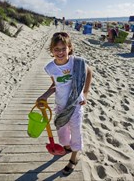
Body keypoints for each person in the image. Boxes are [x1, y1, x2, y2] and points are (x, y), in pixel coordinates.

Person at [36, 32, 92, 175]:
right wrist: (44, 96)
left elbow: (89, 72)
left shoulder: (77, 62)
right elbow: (55, 86)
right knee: (62, 134)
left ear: (69, 48)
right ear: (52, 50)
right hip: (61, 105)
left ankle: (74, 158)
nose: (60, 52)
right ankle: (68, 147)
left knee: (76, 132)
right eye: (56, 49)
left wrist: (85, 93)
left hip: (76, 104)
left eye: (63, 49)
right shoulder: (50, 68)